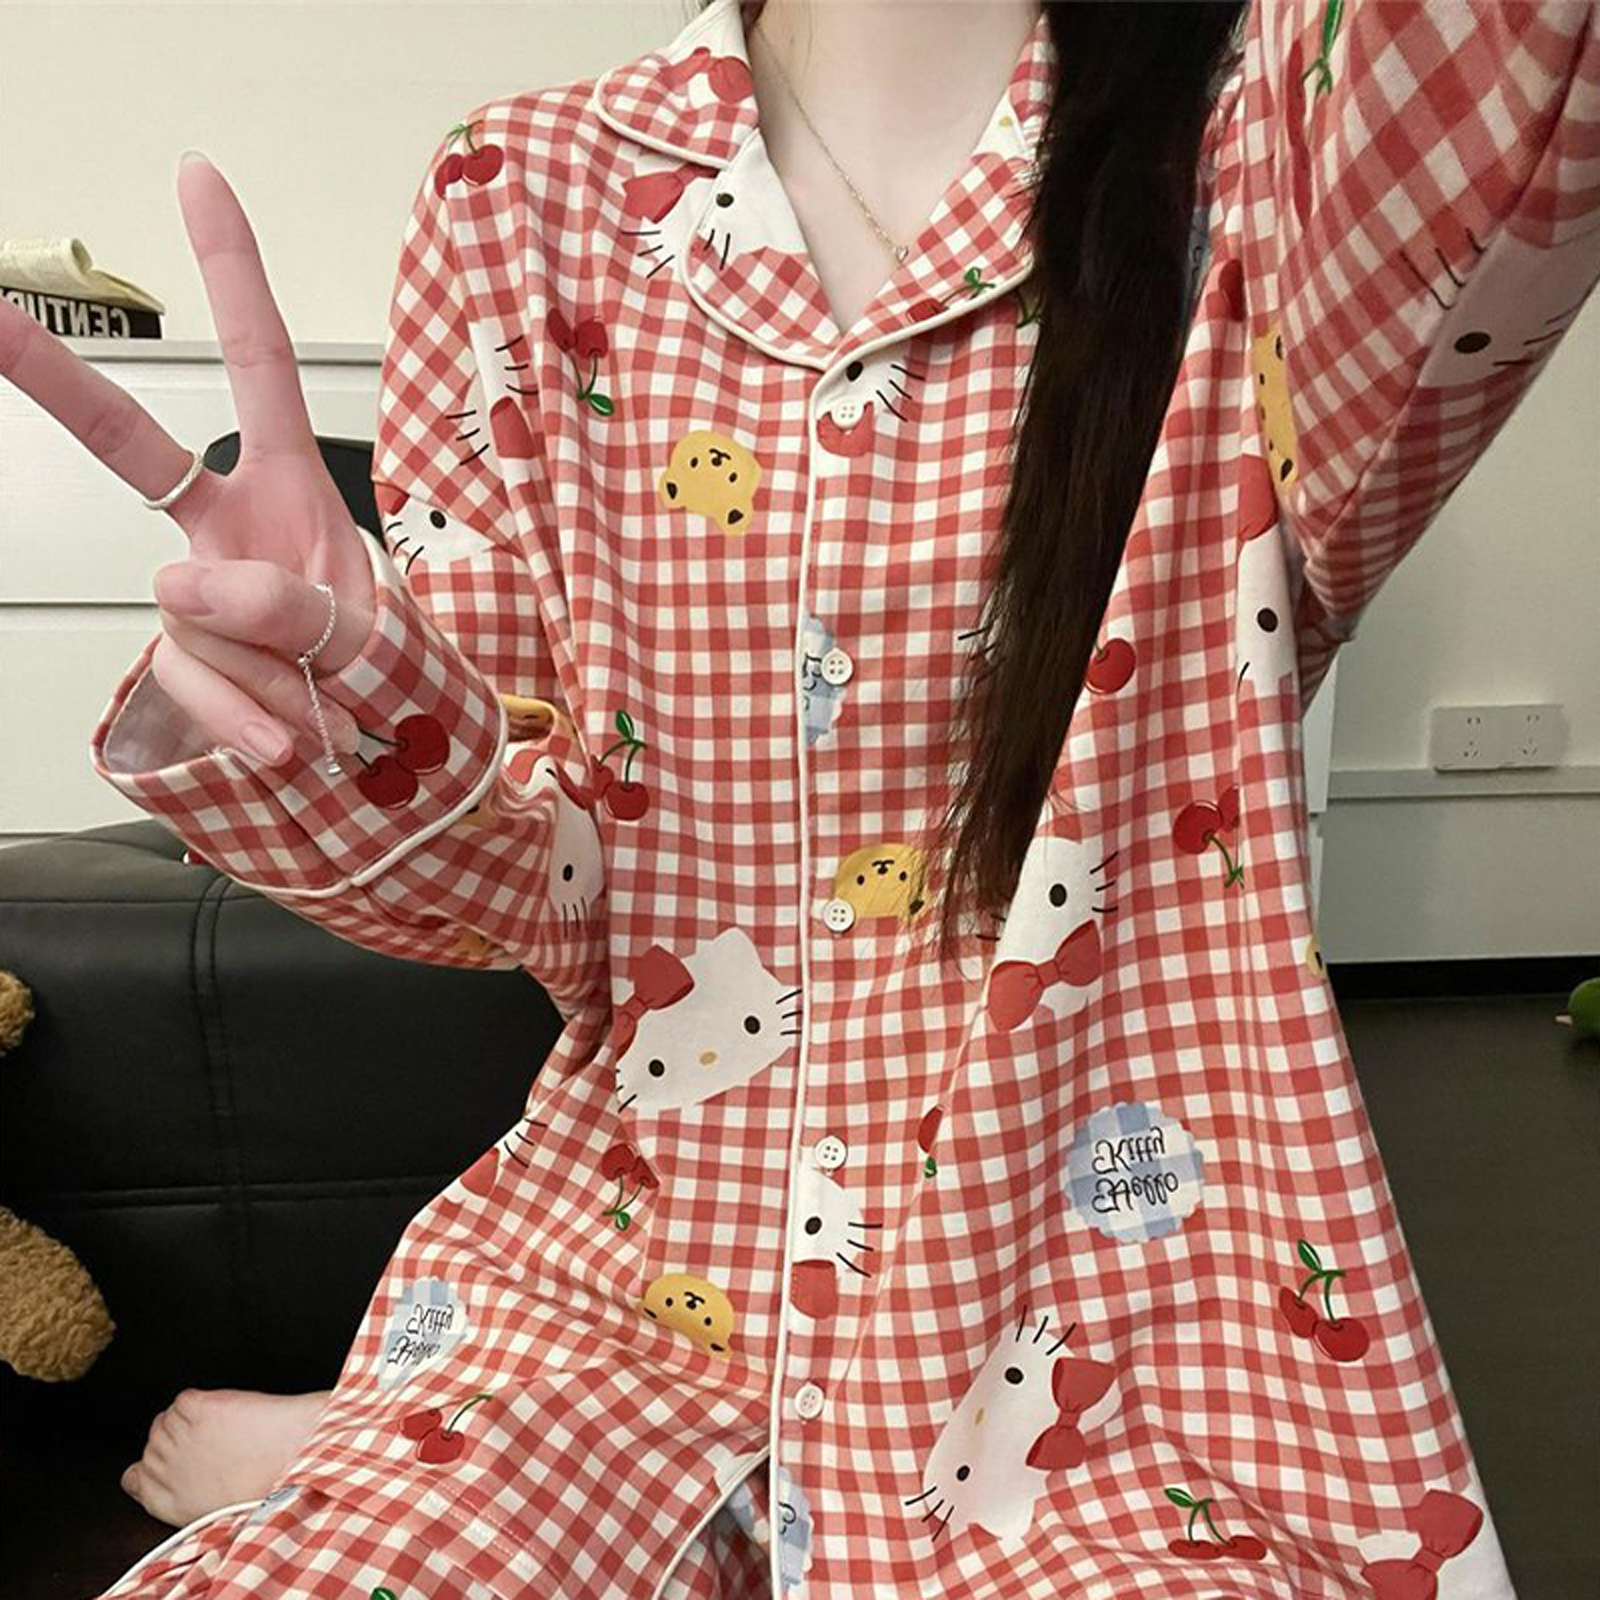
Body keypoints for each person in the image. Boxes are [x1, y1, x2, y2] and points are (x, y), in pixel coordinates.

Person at [3, 0, 1597, 1594]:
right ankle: (398, 1433)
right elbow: (538, 895)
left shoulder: (1273, 149)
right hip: (615, 1301)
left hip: (1104, 1348)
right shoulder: (521, 188)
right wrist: (360, 723)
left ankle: (365, 1437)